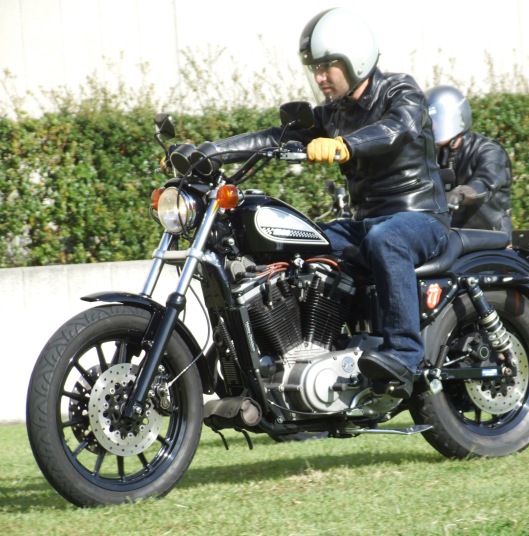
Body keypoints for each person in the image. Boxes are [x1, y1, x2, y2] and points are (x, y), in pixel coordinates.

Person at [171, 7, 451, 398]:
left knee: (386, 239)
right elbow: (276, 137)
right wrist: (211, 151)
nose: (320, 77)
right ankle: (304, 357)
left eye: (327, 67)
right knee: (299, 246)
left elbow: (397, 128)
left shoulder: (400, 92)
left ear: (355, 59)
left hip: (419, 218)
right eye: (315, 69)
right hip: (364, 224)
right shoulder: (333, 113)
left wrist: (345, 145)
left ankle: (404, 356)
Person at [425, 85, 514, 235]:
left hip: (492, 236)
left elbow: (484, 184)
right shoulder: (435, 155)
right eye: (431, 121)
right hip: (453, 236)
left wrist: (459, 194)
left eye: (438, 120)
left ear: (454, 118)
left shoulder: (488, 150)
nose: (434, 126)